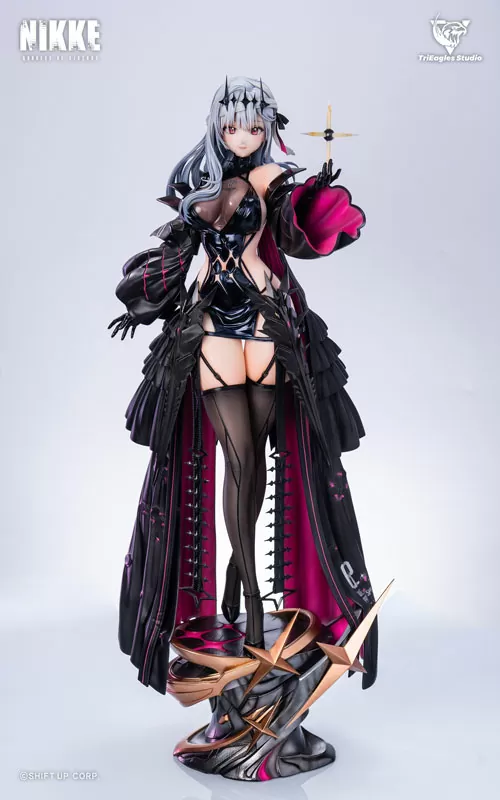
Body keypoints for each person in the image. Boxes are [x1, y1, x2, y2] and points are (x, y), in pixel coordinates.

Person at [109, 75, 378, 695]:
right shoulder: (194, 179)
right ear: (218, 125)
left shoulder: (270, 178)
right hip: (210, 325)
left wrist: (318, 196)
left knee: (253, 455)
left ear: (267, 128)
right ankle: (249, 591)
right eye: (233, 126)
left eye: (255, 127)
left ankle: (240, 572)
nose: (243, 136)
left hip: (265, 320)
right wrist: (147, 296)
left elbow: (296, 230)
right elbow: (181, 251)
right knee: (238, 457)